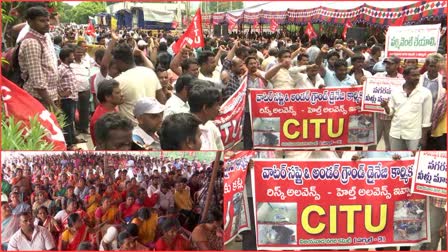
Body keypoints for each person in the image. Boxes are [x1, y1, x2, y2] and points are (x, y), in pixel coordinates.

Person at [381, 66, 432, 150]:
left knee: (412, 160)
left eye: (418, 75)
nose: (417, 78)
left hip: (414, 135)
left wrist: (423, 138)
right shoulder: (396, 91)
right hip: (396, 133)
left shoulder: (425, 93)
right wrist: (386, 106)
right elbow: (390, 112)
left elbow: (426, 119)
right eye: (414, 75)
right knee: (396, 159)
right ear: (405, 76)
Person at [112, 44, 166, 124]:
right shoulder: (149, 72)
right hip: (150, 126)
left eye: (115, 62)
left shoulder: (118, 81)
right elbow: (161, 98)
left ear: (119, 61)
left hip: (131, 129)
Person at [18, 7, 58, 110]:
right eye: (42, 21)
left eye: (47, 20)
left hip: (48, 97)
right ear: (30, 22)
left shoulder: (43, 38)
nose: (47, 23)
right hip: (38, 98)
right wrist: (52, 106)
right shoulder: (32, 42)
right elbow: (37, 80)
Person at [371, 55, 404, 151]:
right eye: (386, 63)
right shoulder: (378, 76)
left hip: (392, 118)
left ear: (398, 65)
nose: (387, 66)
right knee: (373, 143)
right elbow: (367, 86)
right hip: (377, 116)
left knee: (390, 144)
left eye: (391, 64)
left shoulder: (402, 80)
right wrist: (363, 80)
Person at [58, 47, 83, 149]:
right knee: (67, 122)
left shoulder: (68, 68)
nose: (74, 57)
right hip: (66, 99)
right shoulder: (61, 69)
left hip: (72, 98)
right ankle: (69, 143)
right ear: (66, 57)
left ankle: (73, 138)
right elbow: (55, 81)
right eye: (72, 55)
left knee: (71, 120)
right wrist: (61, 93)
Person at [188, 81, 224, 150]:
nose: (219, 108)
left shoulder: (211, 126)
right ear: (205, 108)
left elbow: (220, 151)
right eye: (217, 105)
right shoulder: (185, 130)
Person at [90, 79, 124, 146]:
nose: (122, 95)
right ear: (107, 97)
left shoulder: (112, 109)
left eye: (120, 92)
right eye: (117, 93)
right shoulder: (100, 120)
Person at [71, 45, 92, 135]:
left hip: (85, 90)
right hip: (75, 90)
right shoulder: (71, 64)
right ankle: (77, 128)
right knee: (75, 110)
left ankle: (84, 127)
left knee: (85, 110)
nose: (79, 54)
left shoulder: (86, 63)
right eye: (77, 52)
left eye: (81, 53)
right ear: (73, 54)